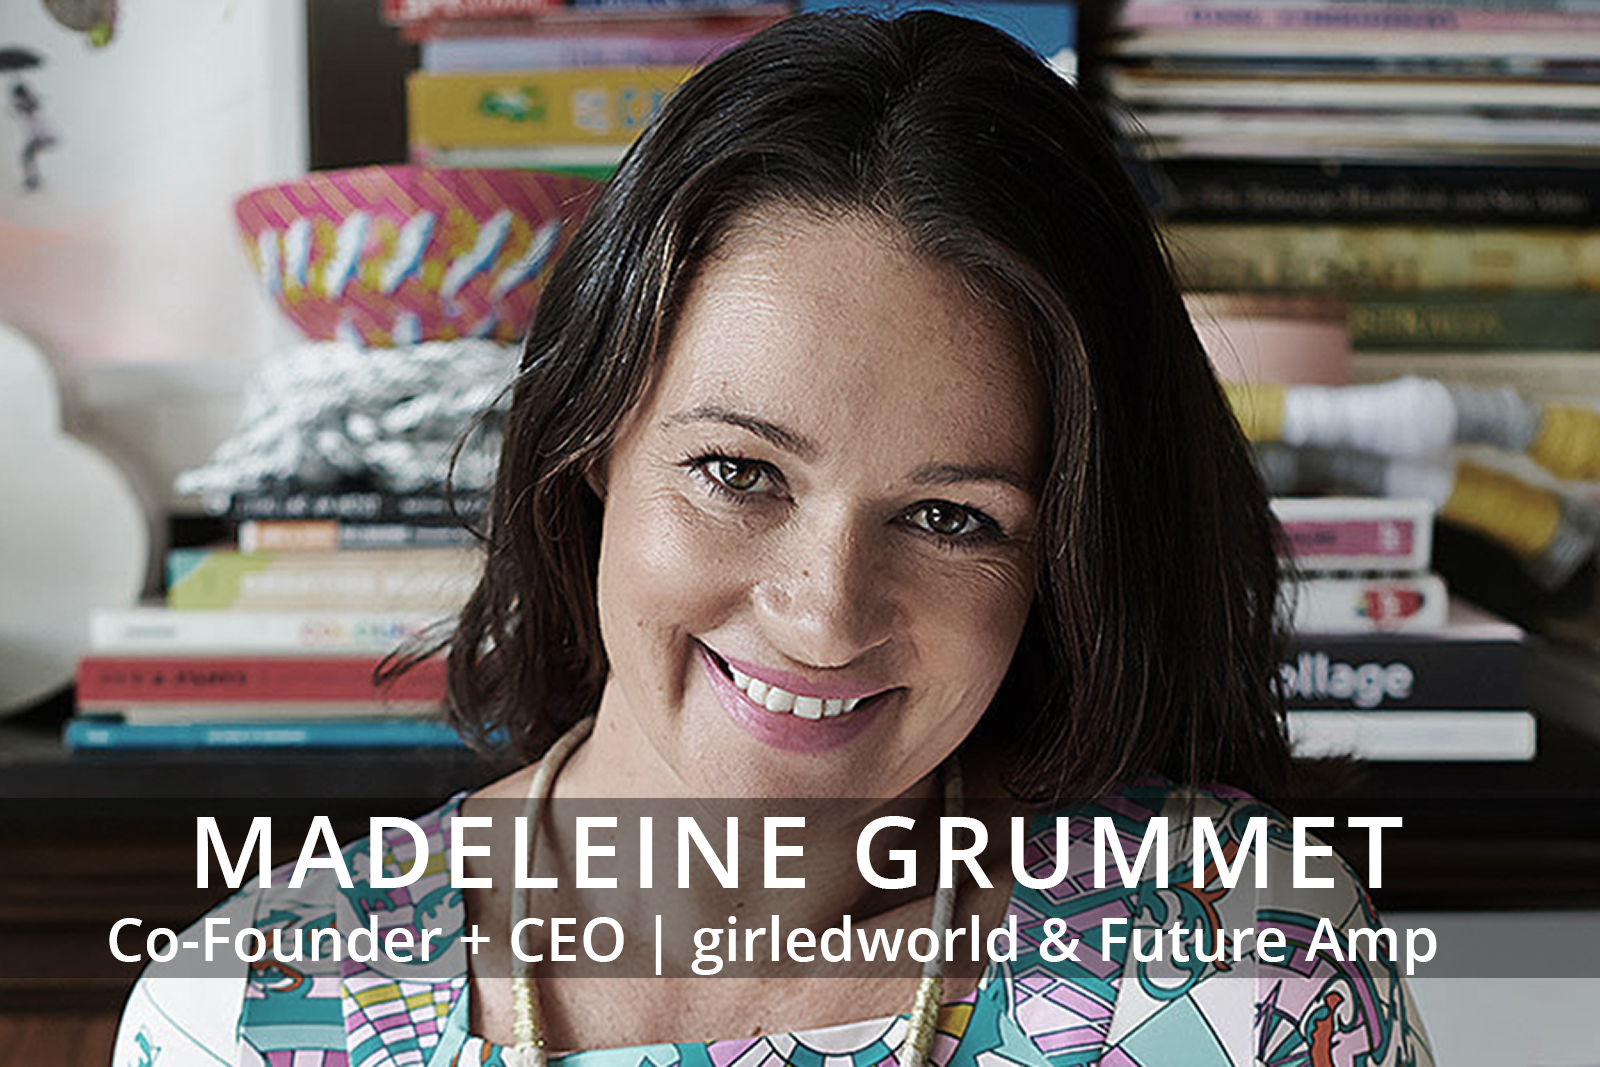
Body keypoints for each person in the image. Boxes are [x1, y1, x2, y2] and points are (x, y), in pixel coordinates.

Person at [115, 11, 1434, 1067]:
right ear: (591, 447)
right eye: (737, 470)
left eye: (951, 515)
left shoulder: (1254, 975)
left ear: (1062, 561)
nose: (825, 609)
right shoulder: (239, 1015)